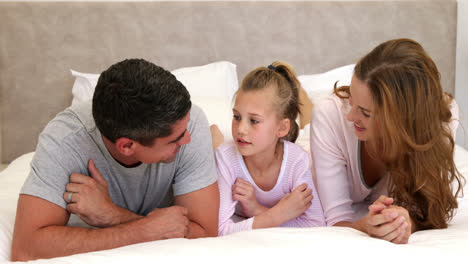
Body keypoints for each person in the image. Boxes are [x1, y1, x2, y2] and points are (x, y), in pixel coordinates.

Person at [11, 59, 220, 261]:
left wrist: (113, 215)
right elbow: (26, 249)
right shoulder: (65, 140)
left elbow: (205, 233)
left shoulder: (189, 123)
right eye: (174, 140)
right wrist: (142, 230)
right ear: (127, 146)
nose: (188, 139)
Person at [310, 38, 464, 244]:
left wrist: (406, 222)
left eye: (365, 112)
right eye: (352, 101)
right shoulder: (331, 116)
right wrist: (365, 226)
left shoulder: (441, 118)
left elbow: (428, 211)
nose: (351, 116)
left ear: (402, 118)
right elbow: (336, 223)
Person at [215, 61, 325, 236]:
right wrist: (276, 214)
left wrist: (256, 210)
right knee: (216, 142)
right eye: (236, 117)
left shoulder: (297, 160)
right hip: (268, 144)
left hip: (298, 145)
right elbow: (219, 230)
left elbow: (317, 225)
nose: (241, 129)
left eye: (254, 120)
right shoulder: (226, 157)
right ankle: (215, 135)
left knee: (310, 128)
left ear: (281, 128)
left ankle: (302, 96)